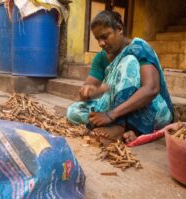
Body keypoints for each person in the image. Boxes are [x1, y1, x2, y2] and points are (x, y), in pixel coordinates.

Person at [67, 10, 173, 143]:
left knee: (128, 62)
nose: (101, 43)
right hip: (118, 109)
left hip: (150, 109)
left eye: (105, 37)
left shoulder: (138, 48)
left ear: (119, 29)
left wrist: (111, 115)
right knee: (73, 110)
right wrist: (88, 90)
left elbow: (151, 88)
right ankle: (129, 129)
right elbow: (90, 85)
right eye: (98, 39)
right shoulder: (101, 57)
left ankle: (120, 126)